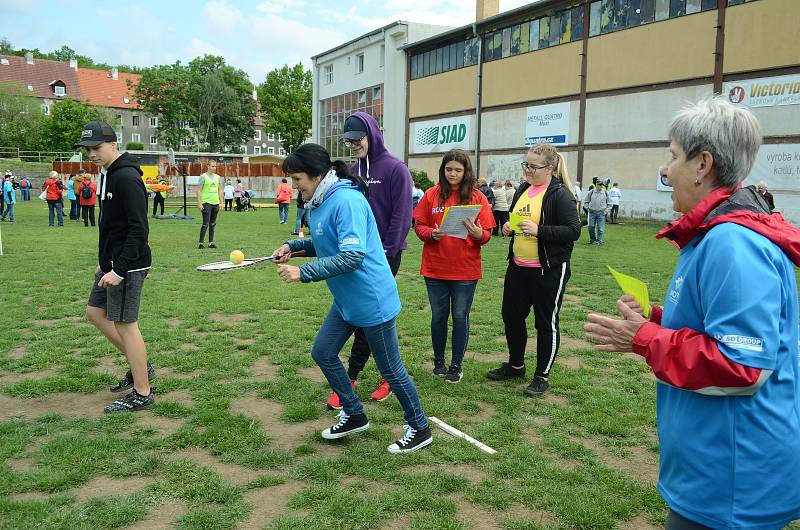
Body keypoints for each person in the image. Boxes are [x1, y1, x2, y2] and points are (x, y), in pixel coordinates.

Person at [584, 98, 800, 530]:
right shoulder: (712, 235)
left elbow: (741, 365)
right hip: (716, 468)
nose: (665, 169)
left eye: (672, 155)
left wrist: (643, 339)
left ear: (703, 164)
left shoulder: (732, 243)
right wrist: (655, 320)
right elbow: (716, 328)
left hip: (733, 480)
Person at [272, 143, 433, 454]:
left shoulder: (346, 200)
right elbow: (326, 242)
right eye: (291, 181)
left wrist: (303, 273)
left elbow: (353, 256)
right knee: (323, 351)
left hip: (371, 299)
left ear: (318, 175)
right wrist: (293, 245)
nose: (294, 188)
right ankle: (354, 413)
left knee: (391, 368)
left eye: (298, 180)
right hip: (347, 299)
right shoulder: (320, 200)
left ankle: (419, 426)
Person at [322, 112, 413, 409]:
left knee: (372, 317)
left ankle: (366, 376)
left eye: (357, 139)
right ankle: (362, 376)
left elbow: (402, 215)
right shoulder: (353, 170)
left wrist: (388, 252)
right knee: (361, 315)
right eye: (347, 141)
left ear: (371, 134)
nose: (352, 145)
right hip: (355, 253)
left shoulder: (396, 169)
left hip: (384, 255)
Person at [74, 121, 155, 414]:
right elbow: (110, 226)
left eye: (96, 147)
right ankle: (141, 367)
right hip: (111, 263)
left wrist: (119, 270)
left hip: (128, 266)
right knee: (95, 313)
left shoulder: (127, 178)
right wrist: (104, 261)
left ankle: (142, 392)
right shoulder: (106, 174)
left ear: (113, 144)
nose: (92, 154)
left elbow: (138, 229)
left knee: (124, 323)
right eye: (87, 150)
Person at [487, 143, 580, 397]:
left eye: (533, 166)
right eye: (525, 164)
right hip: (518, 267)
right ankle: (516, 365)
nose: (528, 170)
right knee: (511, 315)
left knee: (545, 323)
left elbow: (573, 231)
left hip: (548, 269)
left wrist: (540, 230)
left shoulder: (559, 194)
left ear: (550, 168)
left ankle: (542, 376)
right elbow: (518, 220)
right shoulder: (523, 189)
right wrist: (508, 227)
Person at [413, 150, 495, 383]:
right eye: (449, 169)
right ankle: (438, 362)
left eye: (458, 170)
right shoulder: (431, 195)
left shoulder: (477, 197)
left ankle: (456, 365)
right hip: (435, 267)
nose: (453, 174)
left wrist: (479, 234)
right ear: (443, 169)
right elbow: (419, 226)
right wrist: (431, 233)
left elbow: (487, 233)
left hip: (465, 269)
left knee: (460, 316)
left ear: (466, 171)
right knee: (439, 316)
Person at [196, 160, 223, 249]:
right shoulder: (203, 177)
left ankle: (211, 243)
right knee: (205, 223)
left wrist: (221, 202)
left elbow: (220, 190)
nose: (214, 168)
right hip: (206, 203)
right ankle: (201, 243)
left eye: (215, 166)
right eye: (212, 166)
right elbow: (199, 190)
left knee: (212, 224)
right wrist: (199, 203)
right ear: (208, 166)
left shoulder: (218, 177)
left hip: (215, 203)